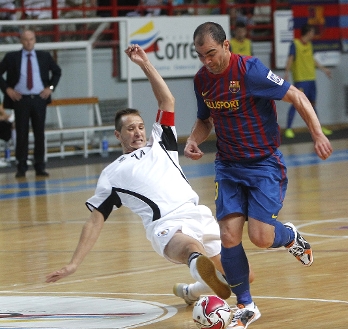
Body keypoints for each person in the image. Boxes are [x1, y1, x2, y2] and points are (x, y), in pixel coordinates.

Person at [46, 45, 237, 308]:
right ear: (118, 135)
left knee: (238, 278)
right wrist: (73, 264)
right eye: (129, 129)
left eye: (140, 126)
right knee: (193, 250)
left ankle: (192, 291)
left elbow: (167, 101)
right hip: (167, 227)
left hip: (198, 214)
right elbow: (95, 220)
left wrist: (145, 64)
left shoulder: (162, 142)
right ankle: (200, 275)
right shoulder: (112, 173)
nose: (137, 132)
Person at [185, 22, 332, 329]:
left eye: (211, 53)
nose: (207, 61)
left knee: (261, 238)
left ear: (226, 46)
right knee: (228, 236)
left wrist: (317, 134)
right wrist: (193, 140)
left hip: (264, 164)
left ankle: (289, 236)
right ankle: (245, 305)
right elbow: (205, 119)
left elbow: (297, 96)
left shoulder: (249, 71)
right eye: (200, 56)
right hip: (228, 166)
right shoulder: (201, 81)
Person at [0, 28, 61, 178]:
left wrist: (50, 88)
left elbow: (57, 71)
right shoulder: (12, 57)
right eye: (26, 39)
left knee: (39, 133)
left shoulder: (44, 56)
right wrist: (7, 89)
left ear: (35, 40)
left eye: (31, 39)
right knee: (21, 133)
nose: (29, 42)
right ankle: (21, 167)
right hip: (21, 99)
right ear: (21, 41)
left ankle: (40, 166)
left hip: (39, 98)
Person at [283, 24, 333, 139]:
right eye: (312, 32)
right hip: (301, 79)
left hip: (311, 79)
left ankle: (318, 129)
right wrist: (286, 73)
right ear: (308, 32)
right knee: (296, 103)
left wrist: (324, 69)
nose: (313, 34)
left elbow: (312, 59)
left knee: (313, 105)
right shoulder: (295, 44)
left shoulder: (310, 45)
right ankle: (288, 129)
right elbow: (290, 59)